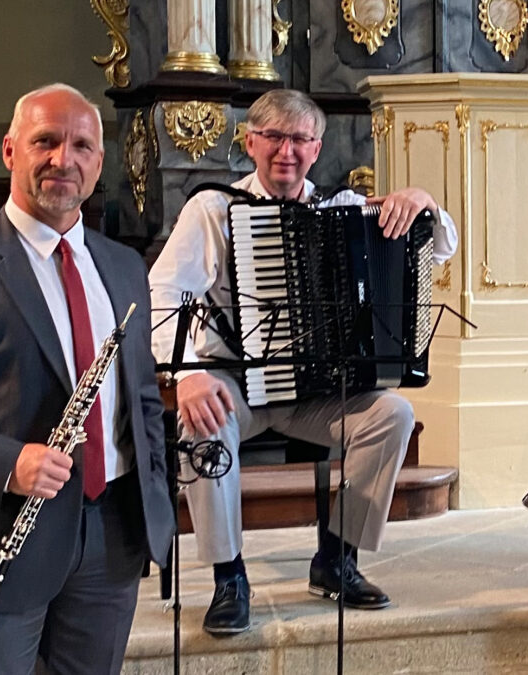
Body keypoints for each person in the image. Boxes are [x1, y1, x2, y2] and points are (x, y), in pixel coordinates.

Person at [149, 88, 458, 634]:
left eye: (299, 139)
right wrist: (189, 375)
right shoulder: (213, 208)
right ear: (251, 143)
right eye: (272, 137)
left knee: (393, 415)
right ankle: (229, 576)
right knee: (201, 423)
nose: (285, 151)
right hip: (234, 382)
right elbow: (164, 292)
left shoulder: (341, 208)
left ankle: (337, 558)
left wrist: (424, 201)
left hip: (312, 391)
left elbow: (439, 244)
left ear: (317, 148)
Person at [0, 83, 174, 674]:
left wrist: (153, 503)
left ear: (100, 162)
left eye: (83, 145)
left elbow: (139, 399)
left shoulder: (123, 266)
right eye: (46, 141)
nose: (65, 159)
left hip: (111, 539)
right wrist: (8, 462)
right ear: (10, 151)